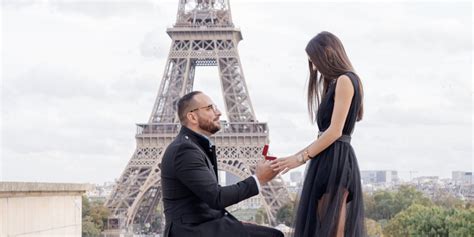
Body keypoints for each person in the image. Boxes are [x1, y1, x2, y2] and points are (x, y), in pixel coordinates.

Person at [271, 31, 366, 237]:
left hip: (334, 159)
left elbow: (334, 131)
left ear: (328, 53)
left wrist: (299, 158)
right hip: (330, 157)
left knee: (331, 229)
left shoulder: (344, 80)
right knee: (329, 227)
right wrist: (298, 157)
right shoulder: (342, 82)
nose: (314, 66)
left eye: (315, 60)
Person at [161, 91, 284, 237]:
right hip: (194, 231)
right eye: (209, 108)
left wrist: (237, 225)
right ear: (192, 117)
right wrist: (259, 179)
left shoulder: (193, 146)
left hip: (203, 227)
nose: (218, 113)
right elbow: (216, 198)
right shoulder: (184, 150)